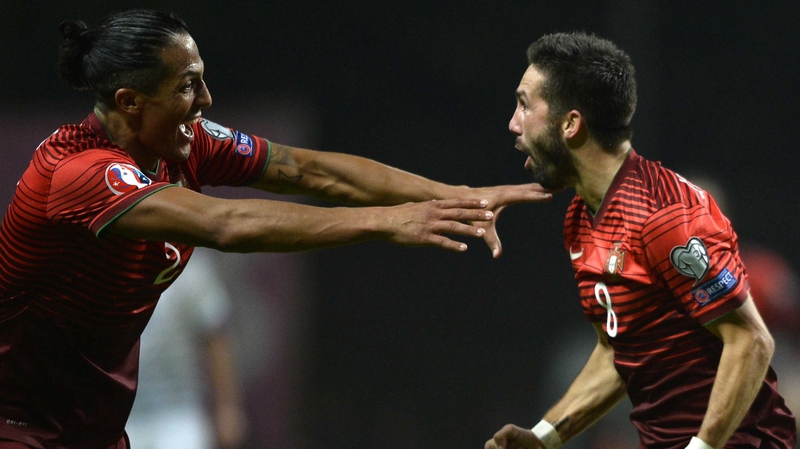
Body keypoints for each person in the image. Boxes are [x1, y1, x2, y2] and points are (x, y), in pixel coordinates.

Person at [0, 9, 553, 449]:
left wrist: (451, 194)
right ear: (130, 102)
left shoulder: (183, 144)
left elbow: (310, 171)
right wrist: (389, 222)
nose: (206, 101)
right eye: (189, 86)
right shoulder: (76, 173)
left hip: (93, 430)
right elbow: (228, 223)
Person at [485, 32, 796, 449]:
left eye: (525, 104)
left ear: (571, 124)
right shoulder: (581, 219)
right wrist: (544, 435)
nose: (513, 122)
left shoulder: (664, 215)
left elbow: (751, 340)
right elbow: (618, 351)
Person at [125, 248, 247, 449]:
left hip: (178, 413)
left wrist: (228, 408)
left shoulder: (189, 262)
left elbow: (214, 335)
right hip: (117, 418)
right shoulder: (101, 259)